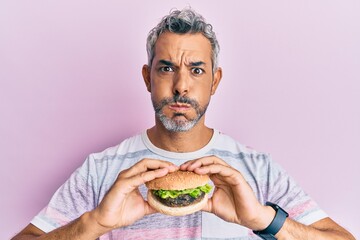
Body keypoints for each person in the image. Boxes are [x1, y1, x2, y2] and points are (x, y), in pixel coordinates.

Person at [12, 8, 355, 240]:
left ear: (215, 81)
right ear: (147, 78)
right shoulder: (101, 170)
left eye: (196, 69)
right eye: (166, 68)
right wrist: (95, 222)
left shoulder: (257, 169)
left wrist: (264, 220)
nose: (180, 86)